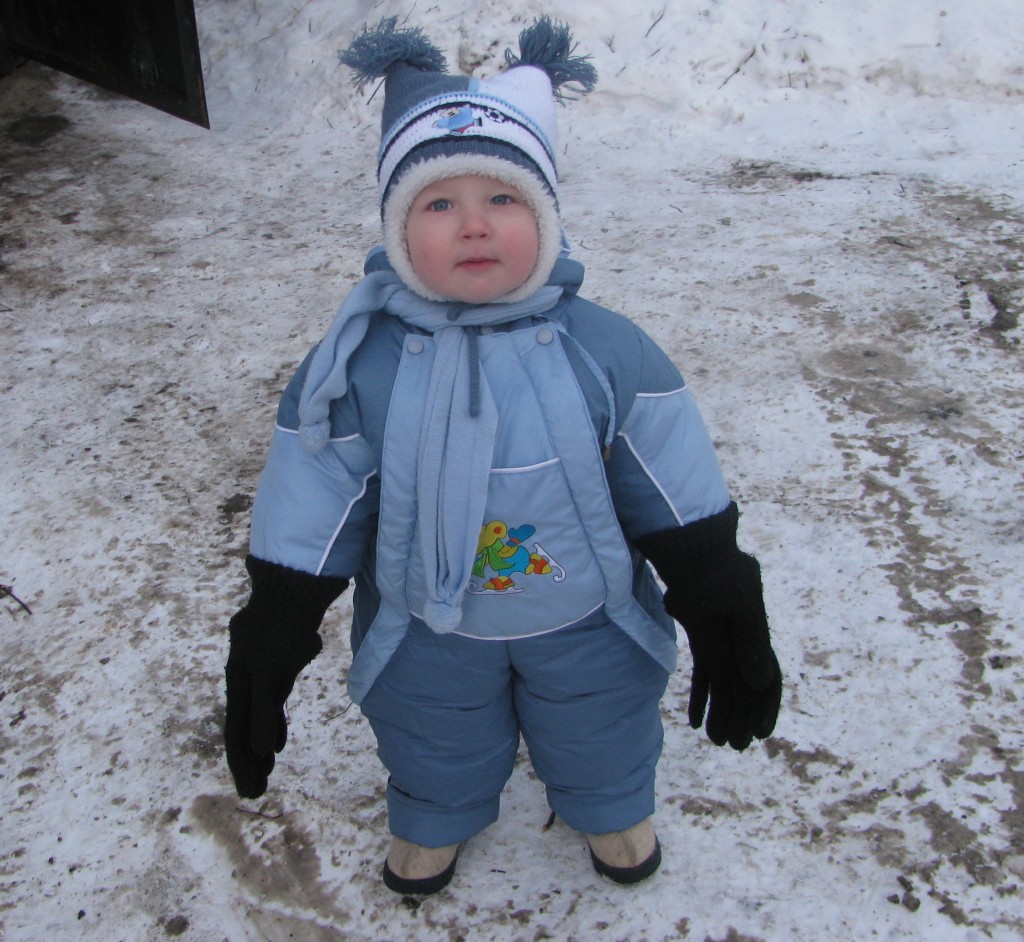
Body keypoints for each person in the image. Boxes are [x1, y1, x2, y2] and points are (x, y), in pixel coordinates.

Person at [222, 16, 782, 896]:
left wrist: (715, 582)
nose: (474, 226)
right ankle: (436, 813)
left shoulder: (607, 350)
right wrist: (280, 616)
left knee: (602, 715)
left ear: (545, 216)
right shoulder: (356, 365)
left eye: (504, 200)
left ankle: (610, 802)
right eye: (440, 204)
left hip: (587, 613)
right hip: (424, 621)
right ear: (401, 231)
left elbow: (671, 474)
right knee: (430, 724)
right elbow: (314, 486)